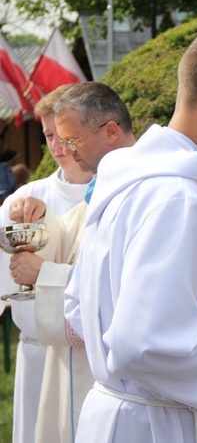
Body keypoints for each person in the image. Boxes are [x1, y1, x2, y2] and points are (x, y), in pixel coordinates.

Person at [62, 28, 197, 442]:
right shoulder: (175, 195)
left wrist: (196, 319)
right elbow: (142, 340)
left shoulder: (127, 178)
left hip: (114, 413)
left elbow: (78, 308)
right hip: (155, 425)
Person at [6, 81, 136, 443]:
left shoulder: (140, 188)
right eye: (54, 137)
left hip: (109, 374)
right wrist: (38, 217)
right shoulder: (105, 185)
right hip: (58, 361)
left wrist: (45, 275)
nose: (65, 150)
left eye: (73, 140)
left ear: (110, 130)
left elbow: (118, 289)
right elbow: (71, 234)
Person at [0, 84, 93, 443]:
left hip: (89, 357)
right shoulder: (27, 195)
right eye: (49, 135)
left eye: (65, 136)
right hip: (38, 352)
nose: (57, 146)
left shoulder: (112, 193)